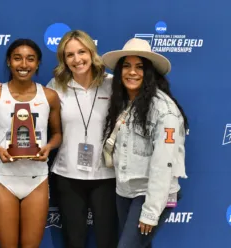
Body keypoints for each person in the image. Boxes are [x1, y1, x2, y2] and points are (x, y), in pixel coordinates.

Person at [101, 38, 188, 248]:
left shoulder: (164, 110)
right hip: (124, 190)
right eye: (127, 66)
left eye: (139, 67)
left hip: (151, 193)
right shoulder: (122, 102)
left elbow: (163, 164)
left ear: (149, 73)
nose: (132, 72)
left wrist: (150, 212)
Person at [0, 38, 62, 248]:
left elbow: (58, 134)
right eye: (17, 58)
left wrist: (49, 147)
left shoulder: (49, 96)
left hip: (37, 179)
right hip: (5, 179)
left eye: (30, 59)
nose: (24, 65)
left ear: (38, 63)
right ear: (8, 62)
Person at [46, 30, 118, 248]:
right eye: (70, 55)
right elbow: (30, 104)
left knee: (107, 239)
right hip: (68, 175)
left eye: (81, 52)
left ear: (91, 52)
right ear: (64, 59)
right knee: (73, 240)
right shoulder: (55, 86)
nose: (77, 60)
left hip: (106, 174)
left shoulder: (112, 84)